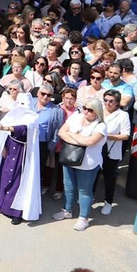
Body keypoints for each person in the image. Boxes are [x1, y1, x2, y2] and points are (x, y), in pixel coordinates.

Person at [54, 98, 108, 230]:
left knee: (84, 191)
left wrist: (71, 135)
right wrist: (80, 139)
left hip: (88, 164)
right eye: (85, 108)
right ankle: (67, 210)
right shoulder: (76, 117)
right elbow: (61, 132)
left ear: (97, 112)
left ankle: (84, 218)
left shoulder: (101, 126)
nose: (86, 111)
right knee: (68, 187)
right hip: (69, 159)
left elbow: (90, 142)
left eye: (90, 110)